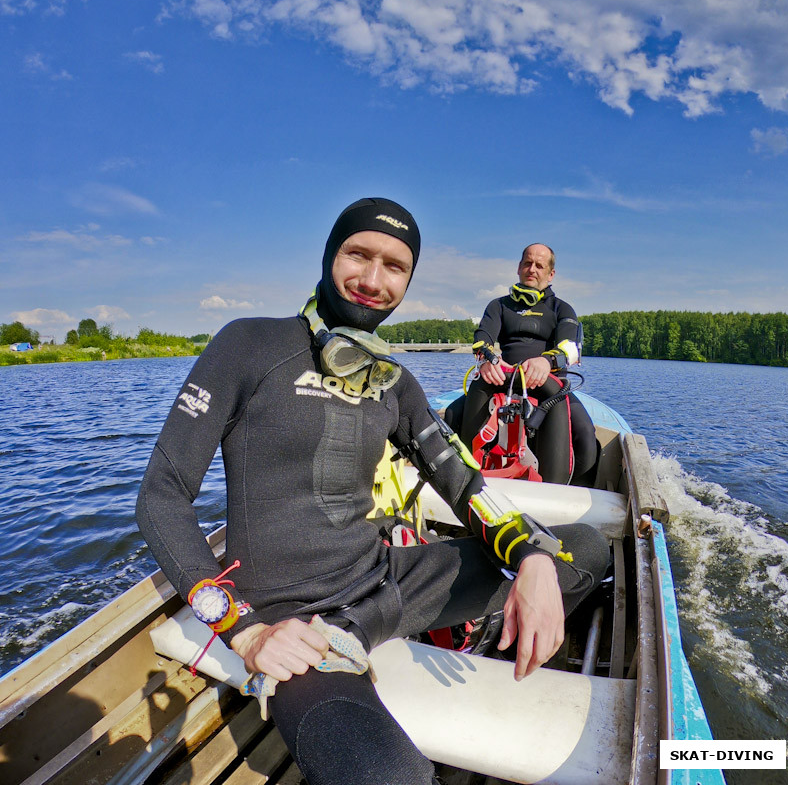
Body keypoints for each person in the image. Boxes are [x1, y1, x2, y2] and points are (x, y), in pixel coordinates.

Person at [136, 199, 609, 785]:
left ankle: (492, 626)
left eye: (394, 267)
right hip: (295, 628)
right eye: (358, 255)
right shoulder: (248, 346)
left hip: (385, 585)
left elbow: (464, 482)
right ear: (331, 254)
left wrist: (532, 556)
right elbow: (161, 496)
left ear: (408, 281)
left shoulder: (394, 382)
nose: (372, 280)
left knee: (585, 549)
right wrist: (244, 630)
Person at [457, 243, 597, 484]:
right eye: (527, 263)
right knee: (450, 416)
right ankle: (460, 484)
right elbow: (483, 338)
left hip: (550, 387)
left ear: (551, 274)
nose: (532, 269)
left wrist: (547, 361)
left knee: (585, 435)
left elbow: (570, 349)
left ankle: (575, 498)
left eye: (540, 265)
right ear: (519, 267)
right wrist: (488, 360)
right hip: (502, 381)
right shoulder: (498, 306)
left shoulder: (561, 308)